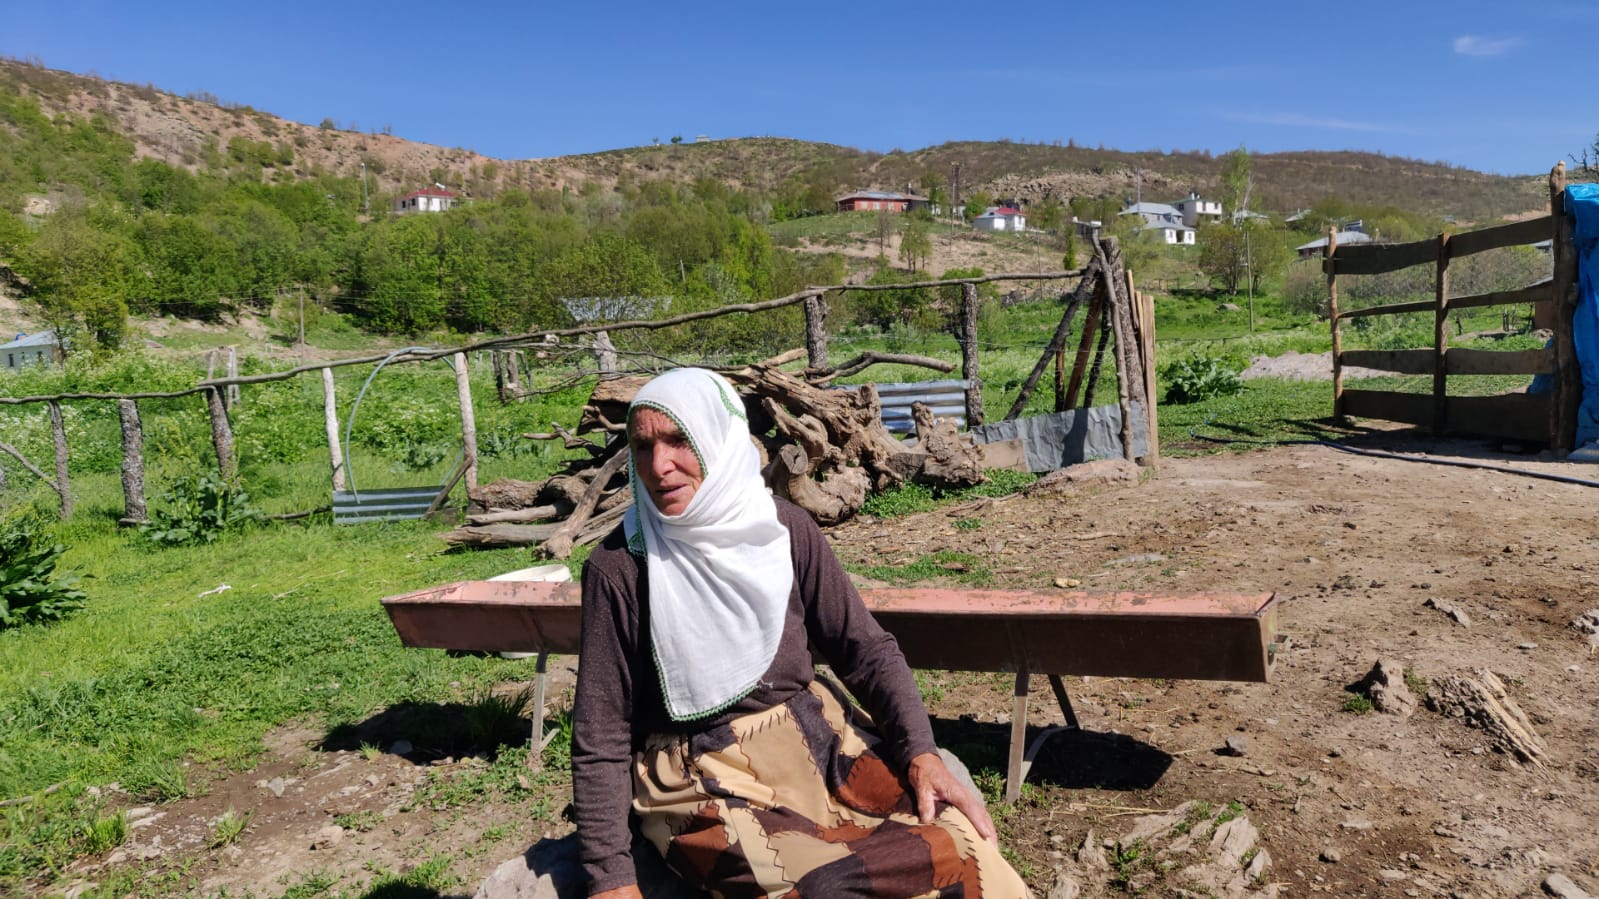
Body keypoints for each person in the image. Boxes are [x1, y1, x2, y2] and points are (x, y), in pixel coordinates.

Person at [573, 367, 1030, 898]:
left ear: (719, 440)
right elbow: (601, 732)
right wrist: (609, 877)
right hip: (704, 775)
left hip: (819, 743)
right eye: (643, 446)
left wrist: (922, 752)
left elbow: (865, 650)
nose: (659, 465)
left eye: (679, 440)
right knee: (822, 886)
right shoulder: (620, 569)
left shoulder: (783, 530)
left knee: (957, 841)